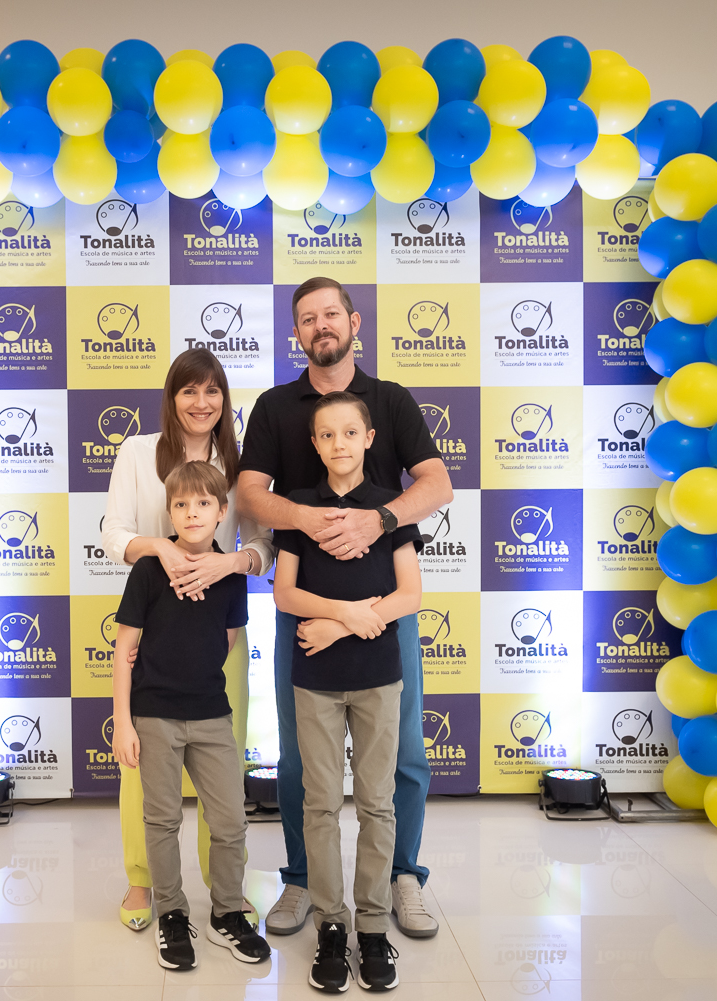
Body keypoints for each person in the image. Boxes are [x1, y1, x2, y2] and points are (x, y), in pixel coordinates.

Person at [237, 277, 453, 940]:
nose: (321, 325)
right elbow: (249, 495)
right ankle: (304, 877)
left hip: (386, 610)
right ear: (296, 333)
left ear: (354, 323)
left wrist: (378, 519)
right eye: (308, 318)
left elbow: (438, 483)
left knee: (404, 754)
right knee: (301, 759)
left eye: (331, 313)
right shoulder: (275, 406)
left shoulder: (390, 399)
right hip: (304, 609)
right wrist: (308, 517)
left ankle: (402, 875)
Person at [102, 348, 274, 931]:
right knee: (142, 766)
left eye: (212, 391)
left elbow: (263, 545)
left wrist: (231, 563)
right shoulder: (137, 452)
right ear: (171, 397)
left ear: (224, 399)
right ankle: (141, 879)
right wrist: (162, 548)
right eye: (189, 390)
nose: (202, 402)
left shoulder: (241, 465)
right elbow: (113, 533)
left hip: (220, 632)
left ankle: (225, 886)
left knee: (219, 764)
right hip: (153, 626)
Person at [275, 392, 422, 992]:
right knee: (319, 804)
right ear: (315, 444)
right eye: (327, 435)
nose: (339, 443)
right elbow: (285, 593)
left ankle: (373, 927)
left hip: (378, 676)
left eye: (350, 433)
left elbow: (410, 594)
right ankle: (332, 925)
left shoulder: (391, 510)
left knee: (377, 803)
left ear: (369, 439)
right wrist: (343, 612)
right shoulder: (299, 508)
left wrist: (344, 625)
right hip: (315, 680)